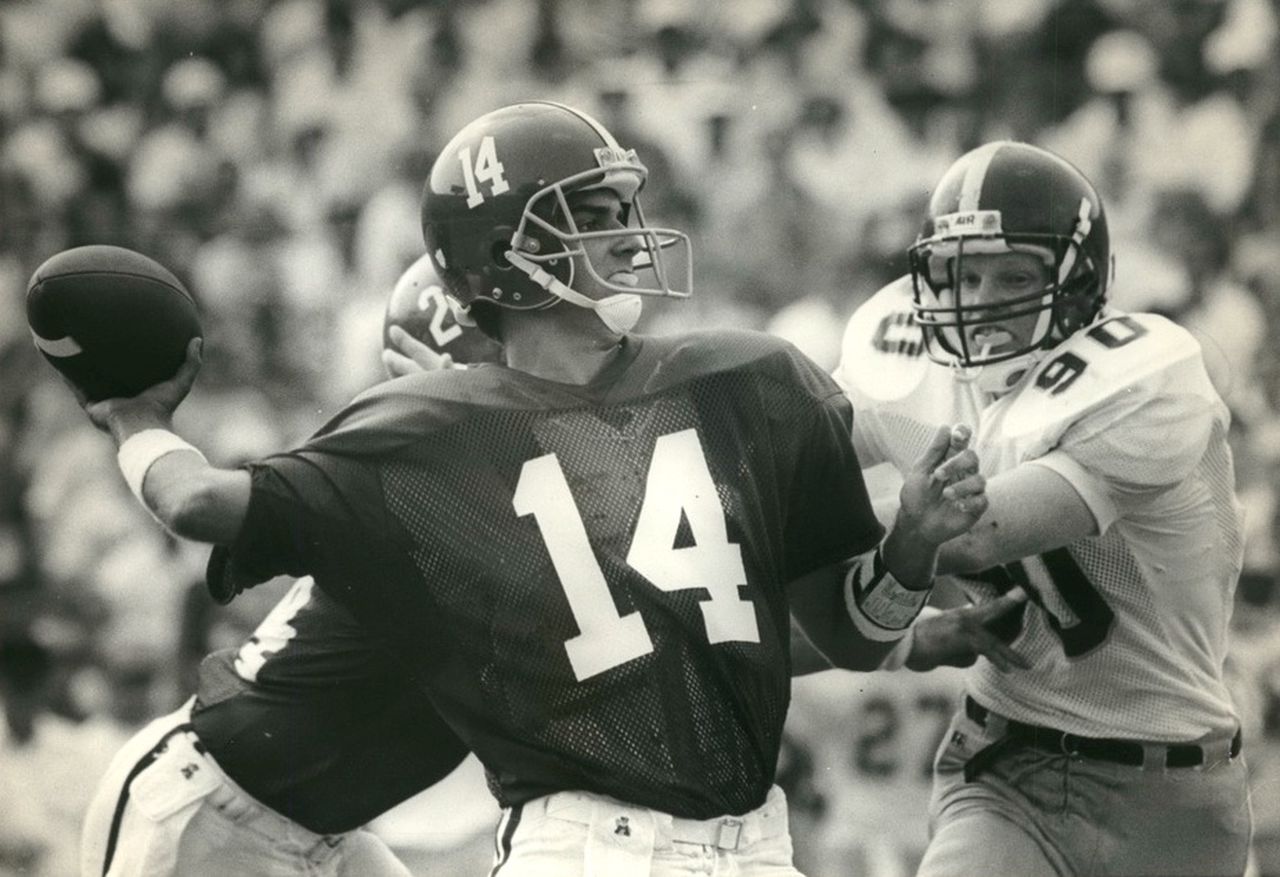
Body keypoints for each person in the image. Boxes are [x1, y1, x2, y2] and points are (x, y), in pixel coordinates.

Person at [74, 100, 987, 877]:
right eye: (589, 212)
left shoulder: (719, 380)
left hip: (729, 839)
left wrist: (909, 568)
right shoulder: (429, 445)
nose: (624, 230)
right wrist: (127, 411)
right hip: (233, 808)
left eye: (618, 206)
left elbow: (675, 635)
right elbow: (198, 503)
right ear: (498, 269)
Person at [833, 140, 1251, 877]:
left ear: (1079, 284)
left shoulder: (1145, 376)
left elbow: (970, 535)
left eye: (1013, 274)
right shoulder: (913, 371)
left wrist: (845, 519)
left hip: (1172, 790)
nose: (981, 300)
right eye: (962, 274)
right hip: (1009, 762)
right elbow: (798, 454)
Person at [79, 256, 482, 877]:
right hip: (212, 808)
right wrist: (133, 418)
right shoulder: (407, 478)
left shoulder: (519, 492)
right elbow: (193, 501)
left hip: (331, 836)